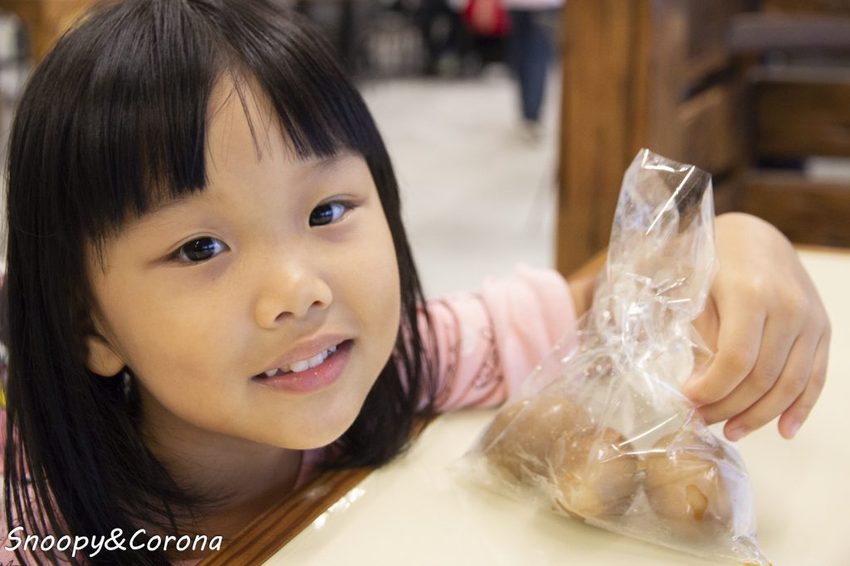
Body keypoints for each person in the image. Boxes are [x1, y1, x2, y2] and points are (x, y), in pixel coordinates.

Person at [0, 0, 830, 564]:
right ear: (90, 328)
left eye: (327, 212)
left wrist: (734, 242)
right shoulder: (38, 527)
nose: (298, 291)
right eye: (199, 247)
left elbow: (594, 297)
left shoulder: (410, 358)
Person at [503, 0, 562, 140]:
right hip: (521, 6)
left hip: (539, 6)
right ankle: (529, 115)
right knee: (525, 60)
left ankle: (531, 116)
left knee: (533, 60)